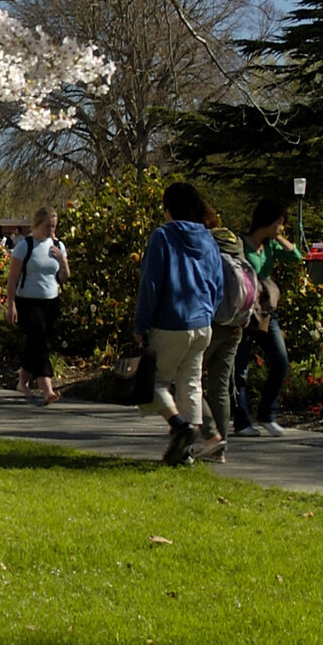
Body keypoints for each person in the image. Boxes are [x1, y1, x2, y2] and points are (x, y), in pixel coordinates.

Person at [134, 182, 223, 463]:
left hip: (171, 320)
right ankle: (184, 450)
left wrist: (141, 324)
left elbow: (150, 284)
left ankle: (179, 426)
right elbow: (218, 283)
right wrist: (208, 311)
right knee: (191, 384)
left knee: (152, 382)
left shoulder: (163, 236)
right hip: (202, 321)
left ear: (168, 208)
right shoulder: (208, 239)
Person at [234, 199, 302, 438]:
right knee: (239, 369)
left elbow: (296, 256)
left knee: (280, 361)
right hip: (243, 312)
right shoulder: (241, 244)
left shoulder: (271, 247)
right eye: (280, 223)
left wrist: (278, 238)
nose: (282, 228)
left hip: (264, 312)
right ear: (268, 220)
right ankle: (242, 422)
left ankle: (267, 414)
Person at [195, 210, 247, 461]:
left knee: (188, 378)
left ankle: (210, 435)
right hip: (236, 323)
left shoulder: (208, 243)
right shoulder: (234, 243)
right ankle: (220, 450)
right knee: (221, 388)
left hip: (214, 323)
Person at [5, 205, 70, 405]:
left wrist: (62, 260)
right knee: (39, 342)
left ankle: (22, 382)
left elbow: (65, 276)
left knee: (36, 343)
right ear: (37, 224)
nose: (51, 230)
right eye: (47, 226)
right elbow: (12, 279)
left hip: (51, 300)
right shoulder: (26, 246)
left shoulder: (58, 245)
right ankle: (47, 389)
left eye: (54, 226)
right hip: (28, 300)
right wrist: (11, 305)